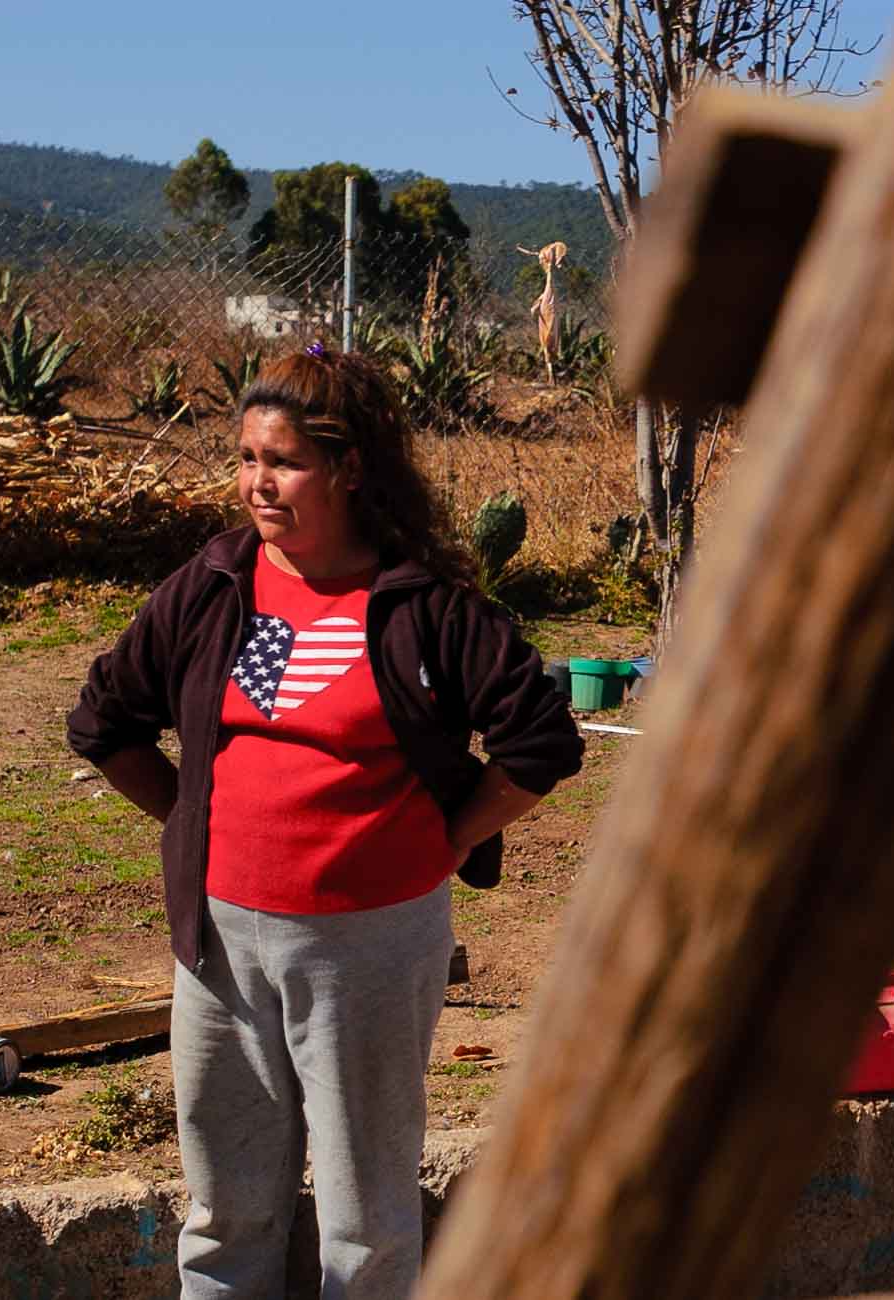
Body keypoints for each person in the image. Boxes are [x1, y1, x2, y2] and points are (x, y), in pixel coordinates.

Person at [67, 345, 582, 1298]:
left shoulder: (422, 608)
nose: (259, 484)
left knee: (365, 1217)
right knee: (226, 1210)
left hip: (371, 948)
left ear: (348, 469)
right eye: (248, 458)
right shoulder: (216, 585)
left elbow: (541, 742)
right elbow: (105, 719)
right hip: (220, 940)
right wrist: (194, 824)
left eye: (285, 462)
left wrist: (454, 835)